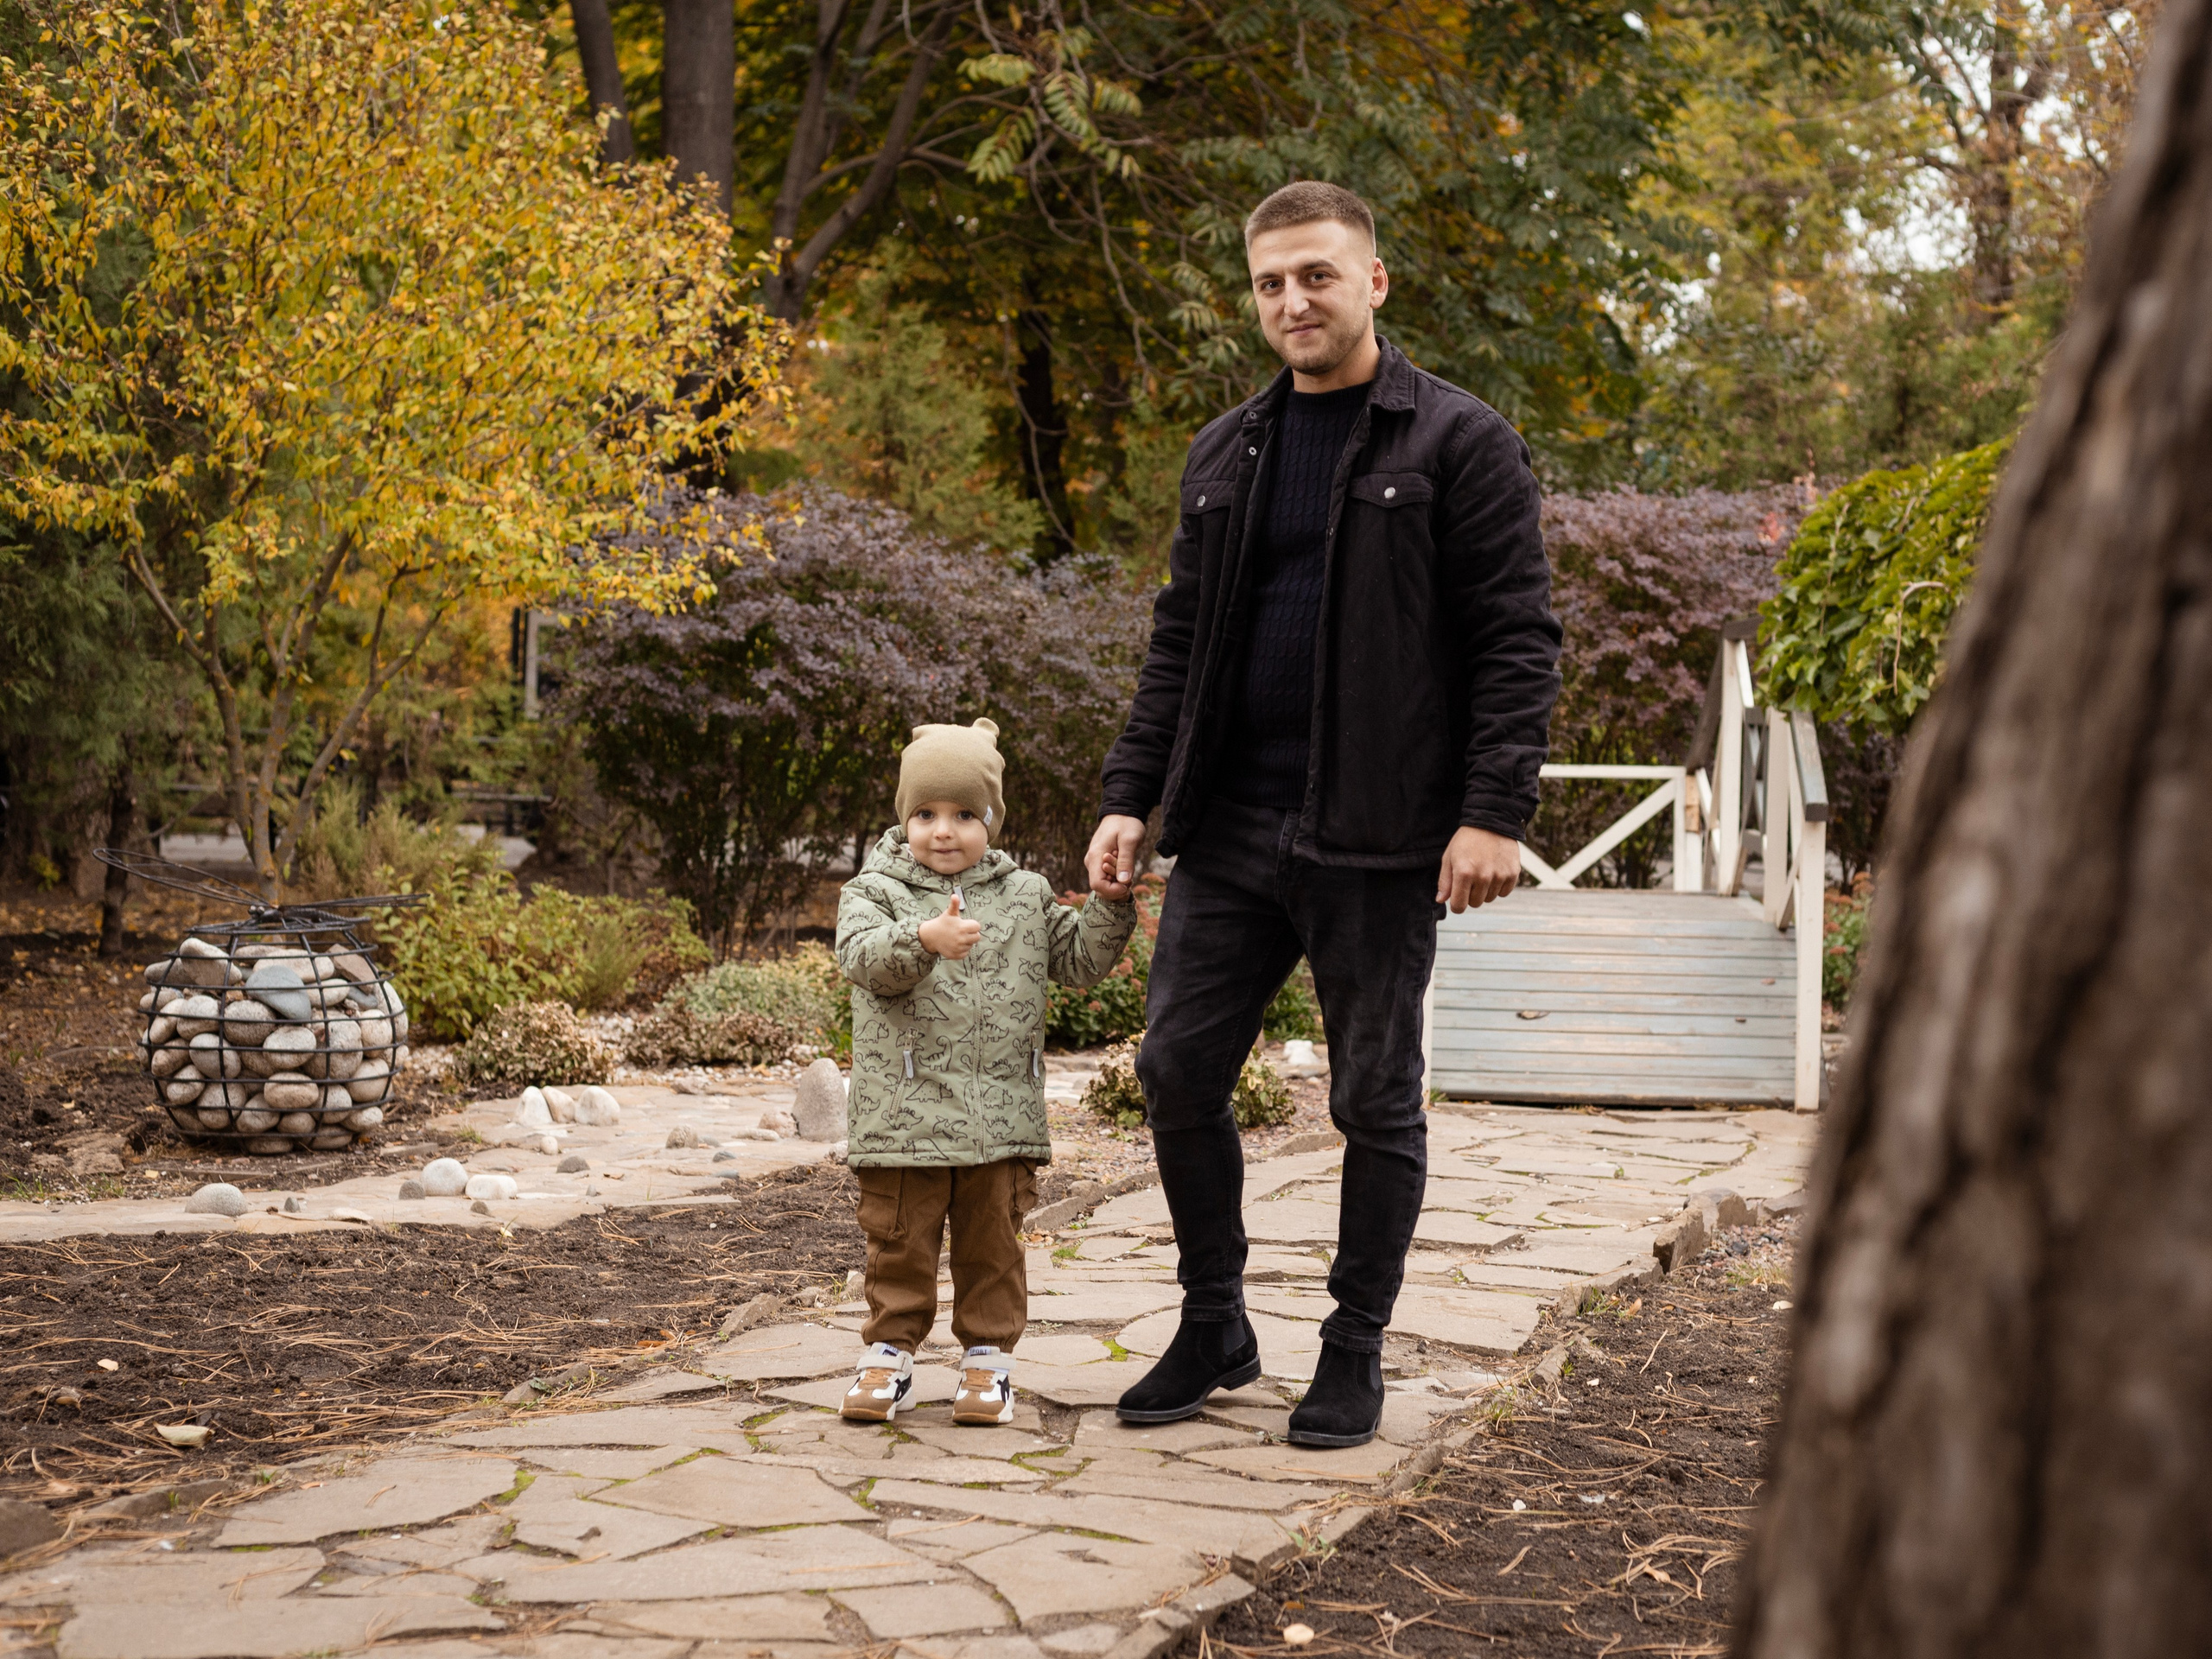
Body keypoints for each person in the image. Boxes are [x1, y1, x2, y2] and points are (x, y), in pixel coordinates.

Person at [1088, 181, 1561, 1446]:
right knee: (1176, 1069)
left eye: (1317, 277)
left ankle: (1353, 1350)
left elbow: (1517, 639)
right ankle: (1215, 1324)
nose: (1293, 302)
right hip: (1231, 826)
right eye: (1270, 284)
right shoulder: (1226, 451)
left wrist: (1493, 811)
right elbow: (1178, 644)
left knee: (1374, 1100)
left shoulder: (1460, 443)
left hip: (1379, 832)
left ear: (1374, 283)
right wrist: (1132, 793)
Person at [836, 717, 1137, 1426]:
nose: (945, 830)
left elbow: (1080, 961)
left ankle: (987, 1363)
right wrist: (923, 937)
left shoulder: (1025, 895)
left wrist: (1110, 904)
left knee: (992, 1248)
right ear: (904, 817)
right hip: (903, 1117)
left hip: (999, 1119)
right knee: (898, 1246)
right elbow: (861, 957)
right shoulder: (874, 891)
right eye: (927, 813)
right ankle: (888, 1357)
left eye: (966, 814)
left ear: (993, 820)